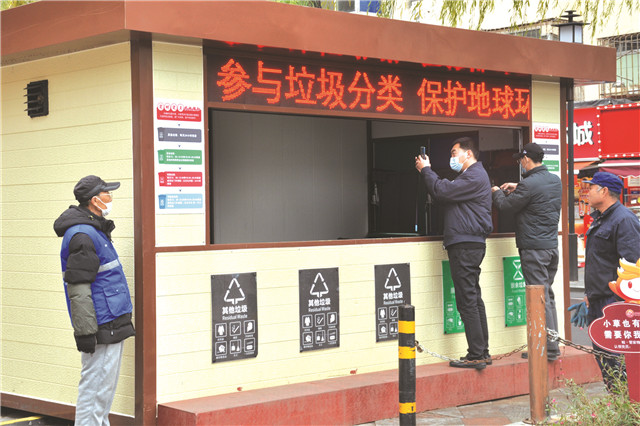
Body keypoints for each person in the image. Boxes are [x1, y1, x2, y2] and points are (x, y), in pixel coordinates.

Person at [53, 175, 135, 425]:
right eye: (106, 193)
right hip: (102, 324)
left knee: (103, 391)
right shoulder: (83, 235)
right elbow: (78, 289)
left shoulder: (95, 229)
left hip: (111, 320)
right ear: (94, 200)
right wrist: (86, 332)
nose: (110, 197)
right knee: (96, 389)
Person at [415, 136, 493, 370]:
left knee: (467, 300)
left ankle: (476, 354)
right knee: (473, 298)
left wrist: (426, 170)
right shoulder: (472, 176)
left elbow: (442, 191)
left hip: (466, 244)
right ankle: (482, 352)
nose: (452, 157)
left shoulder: (474, 175)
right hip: (469, 243)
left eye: (454, 152)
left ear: (468, 154)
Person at [491, 142, 562, 361]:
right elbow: (535, 194)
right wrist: (518, 187)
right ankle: (552, 345)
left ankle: (546, 349)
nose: (521, 164)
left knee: (537, 297)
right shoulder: (555, 180)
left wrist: (496, 192)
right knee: (547, 295)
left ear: (526, 159)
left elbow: (505, 206)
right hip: (551, 247)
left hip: (534, 249)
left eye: (521, 160)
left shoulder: (528, 185)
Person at [583, 171, 640, 390]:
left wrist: (622, 304)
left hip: (614, 302)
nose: (587, 192)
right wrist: (589, 294)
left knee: (617, 361)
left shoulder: (623, 220)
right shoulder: (601, 218)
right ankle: (617, 400)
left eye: (591, 188)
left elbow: (633, 265)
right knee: (604, 358)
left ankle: (627, 402)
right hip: (598, 299)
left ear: (604, 191)